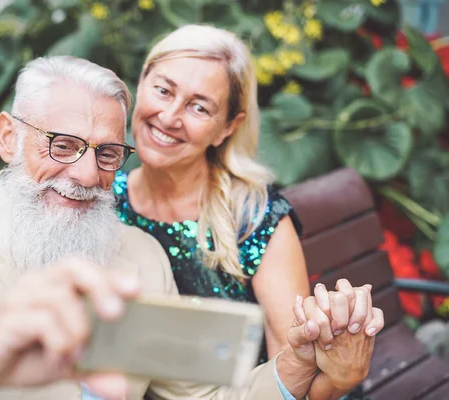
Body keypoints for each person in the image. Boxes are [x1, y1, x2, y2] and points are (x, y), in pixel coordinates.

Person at [0, 56, 382, 400]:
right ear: (9, 138)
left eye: (107, 153)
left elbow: (204, 397)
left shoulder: (142, 255)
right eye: (61, 144)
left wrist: (297, 362)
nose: (86, 173)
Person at [113, 24, 377, 399]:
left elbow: (301, 380)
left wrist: (344, 375)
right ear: (140, 85)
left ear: (226, 128)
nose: (170, 116)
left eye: (199, 107)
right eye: (163, 90)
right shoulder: (103, 198)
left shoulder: (254, 218)